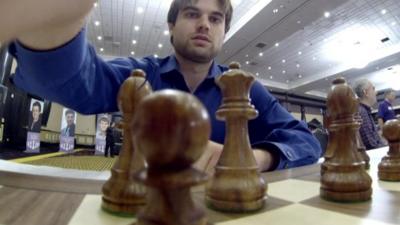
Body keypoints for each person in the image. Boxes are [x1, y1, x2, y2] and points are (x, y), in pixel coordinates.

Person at [4, 0, 321, 172]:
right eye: (192, 13)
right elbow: (75, 83)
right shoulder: (139, 75)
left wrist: (257, 157)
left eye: (215, 19)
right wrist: (55, 21)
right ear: (172, 24)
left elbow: (305, 141)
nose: (203, 25)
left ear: (224, 31)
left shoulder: (246, 88)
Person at [353, 79, 384, 150]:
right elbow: (371, 145)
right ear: (366, 92)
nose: (376, 92)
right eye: (373, 88)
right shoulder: (362, 112)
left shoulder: (363, 110)